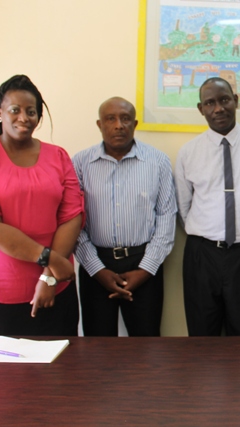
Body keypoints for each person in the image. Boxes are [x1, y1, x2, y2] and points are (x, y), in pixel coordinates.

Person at [0, 75, 83, 356]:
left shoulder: (58, 156)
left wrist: (49, 277)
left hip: (52, 290)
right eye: (15, 110)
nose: (24, 117)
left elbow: (72, 215)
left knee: (57, 377)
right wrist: (50, 259)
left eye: (31, 111)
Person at [175, 77, 240, 336]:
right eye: (210, 103)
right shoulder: (188, 152)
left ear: (236, 102)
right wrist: (207, 234)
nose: (218, 108)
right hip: (201, 254)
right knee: (201, 332)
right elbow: (183, 206)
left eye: (224, 100)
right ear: (201, 109)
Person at [73, 97, 177, 336]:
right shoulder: (80, 163)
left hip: (144, 263)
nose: (118, 125)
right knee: (97, 346)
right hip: (95, 265)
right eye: (111, 119)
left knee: (147, 345)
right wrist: (96, 269)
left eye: (125, 118)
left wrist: (146, 270)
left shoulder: (158, 161)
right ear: (100, 125)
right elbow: (73, 222)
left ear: (135, 124)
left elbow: (166, 216)